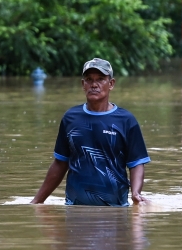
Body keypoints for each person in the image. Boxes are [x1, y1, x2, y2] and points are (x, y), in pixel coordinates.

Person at [30, 58, 150, 206]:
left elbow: (136, 163)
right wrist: (37, 201)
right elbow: (60, 163)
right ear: (83, 84)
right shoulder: (71, 118)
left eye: (100, 79)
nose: (94, 84)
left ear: (111, 84)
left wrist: (136, 193)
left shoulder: (126, 120)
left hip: (115, 210)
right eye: (89, 79)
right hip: (75, 209)